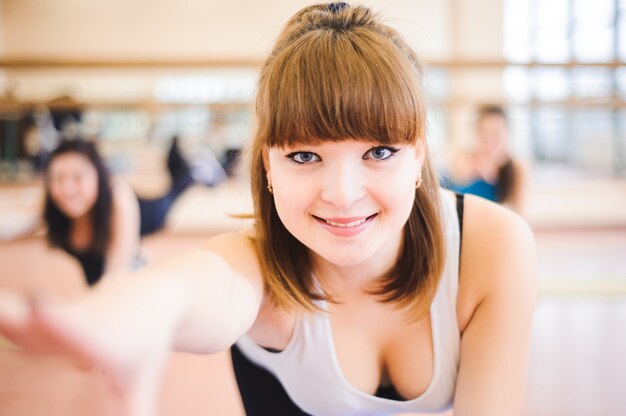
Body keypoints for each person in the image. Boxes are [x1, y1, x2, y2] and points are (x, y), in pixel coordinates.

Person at [0, 4, 537, 416]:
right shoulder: (257, 268)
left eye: (379, 152)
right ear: (268, 166)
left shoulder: (492, 246)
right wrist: (128, 317)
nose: (343, 194)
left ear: (418, 152)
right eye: (305, 156)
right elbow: (192, 288)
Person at [43, 137, 198, 286]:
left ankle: (191, 173)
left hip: (150, 213)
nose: (67, 189)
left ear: (98, 175)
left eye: (77, 177)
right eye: (59, 178)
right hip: (119, 264)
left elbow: (114, 278)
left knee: (174, 193)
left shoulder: (118, 197)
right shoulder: (54, 209)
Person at [442, 105, 529, 216]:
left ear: (506, 134)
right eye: (484, 133)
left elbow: (520, 214)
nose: (489, 141)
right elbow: (453, 180)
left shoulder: (517, 168)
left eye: (496, 134)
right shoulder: (464, 160)